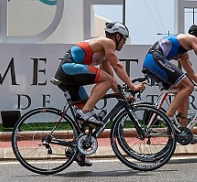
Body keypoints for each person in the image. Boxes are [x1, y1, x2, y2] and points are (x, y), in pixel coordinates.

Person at [53, 21, 146, 166]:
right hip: (68, 69)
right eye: (124, 39)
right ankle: (86, 112)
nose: (124, 43)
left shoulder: (104, 54)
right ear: (117, 36)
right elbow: (118, 66)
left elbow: (112, 77)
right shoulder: (108, 42)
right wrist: (132, 86)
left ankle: (78, 152)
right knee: (87, 112)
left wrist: (123, 96)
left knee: (89, 120)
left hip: (69, 76)